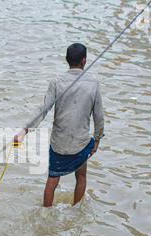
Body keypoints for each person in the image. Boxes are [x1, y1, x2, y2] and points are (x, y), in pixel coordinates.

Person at [14, 43, 105, 207]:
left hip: (59, 144)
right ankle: (76, 209)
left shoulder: (56, 82)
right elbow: (99, 116)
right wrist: (97, 139)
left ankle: (46, 212)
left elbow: (43, 110)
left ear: (66, 60)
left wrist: (24, 130)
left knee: (52, 180)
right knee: (82, 176)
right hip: (81, 143)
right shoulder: (94, 84)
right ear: (84, 61)